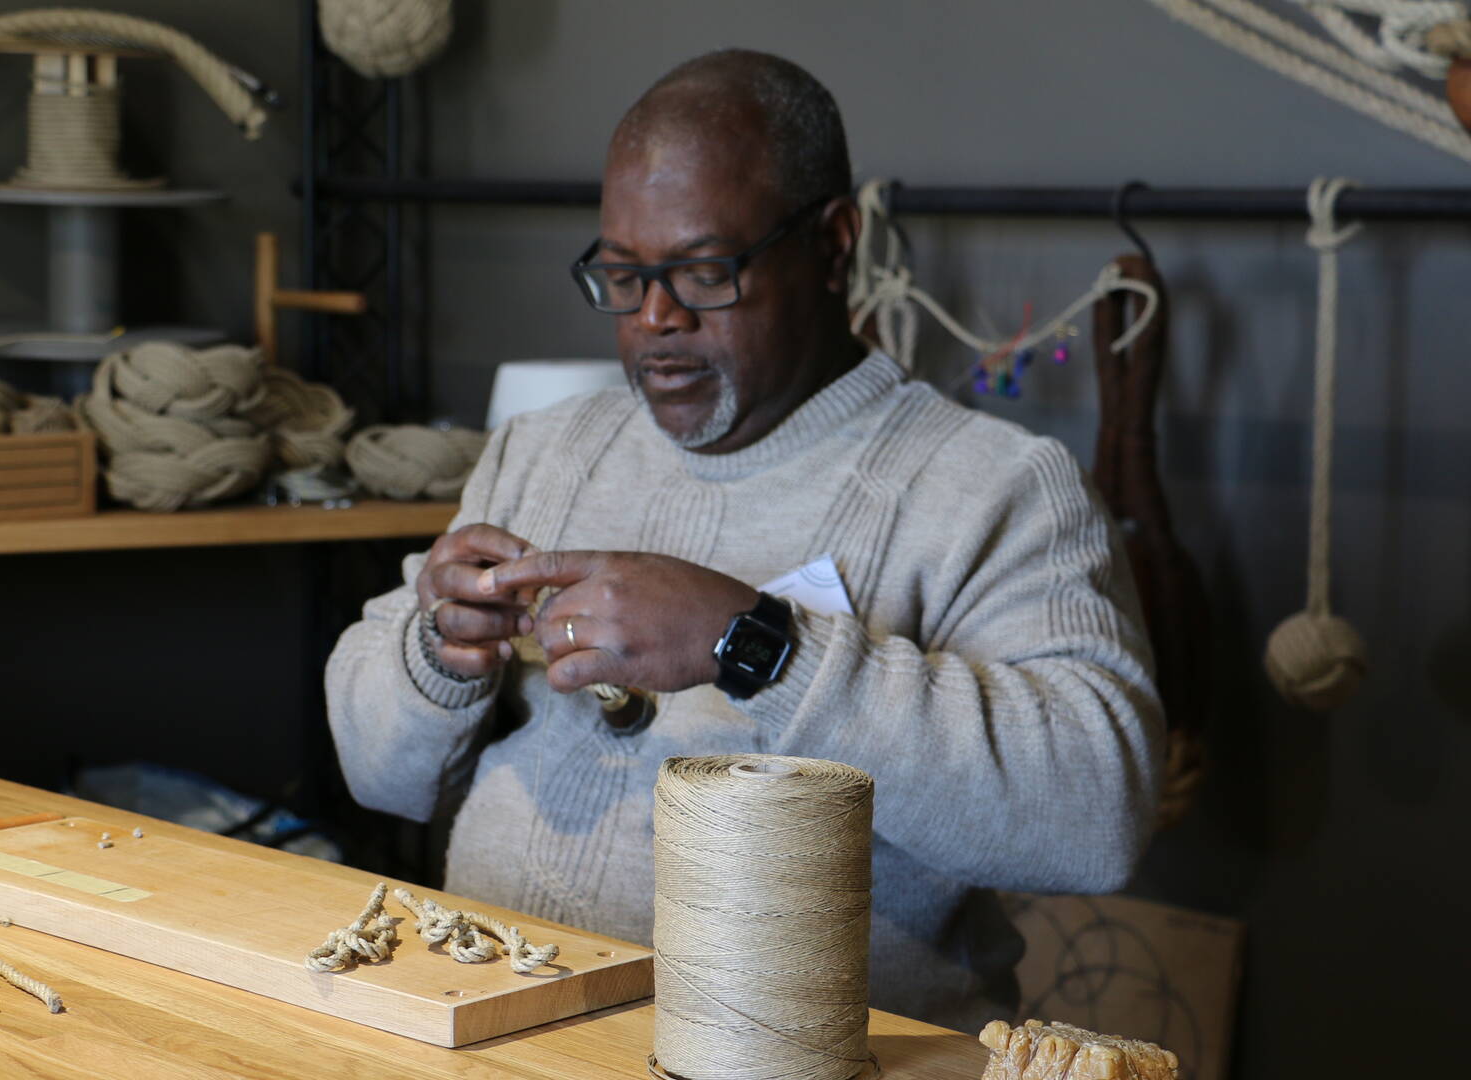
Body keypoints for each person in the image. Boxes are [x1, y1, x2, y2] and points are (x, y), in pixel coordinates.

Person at [324, 48, 1163, 1030]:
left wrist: (755, 644)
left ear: (833, 243)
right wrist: (438, 653)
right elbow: (378, 773)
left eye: (704, 270)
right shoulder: (547, 453)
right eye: (623, 275)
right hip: (506, 1035)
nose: (655, 319)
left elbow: (1096, 815)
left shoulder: (995, 489)